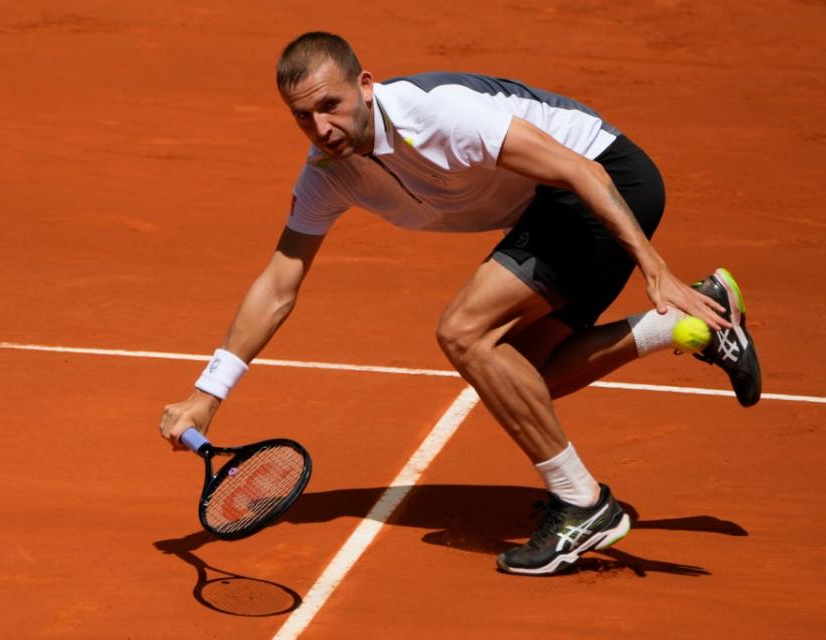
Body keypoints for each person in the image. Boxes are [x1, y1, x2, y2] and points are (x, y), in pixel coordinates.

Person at [159, 32, 761, 575]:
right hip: (553, 206)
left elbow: (582, 172)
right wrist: (207, 395)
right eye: (303, 117)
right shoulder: (328, 173)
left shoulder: (439, 114)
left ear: (365, 87)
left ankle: (583, 504)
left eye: (330, 105)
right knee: (522, 380)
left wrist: (655, 270)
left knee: (464, 333)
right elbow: (277, 285)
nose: (321, 129)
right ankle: (690, 325)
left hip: (602, 182)